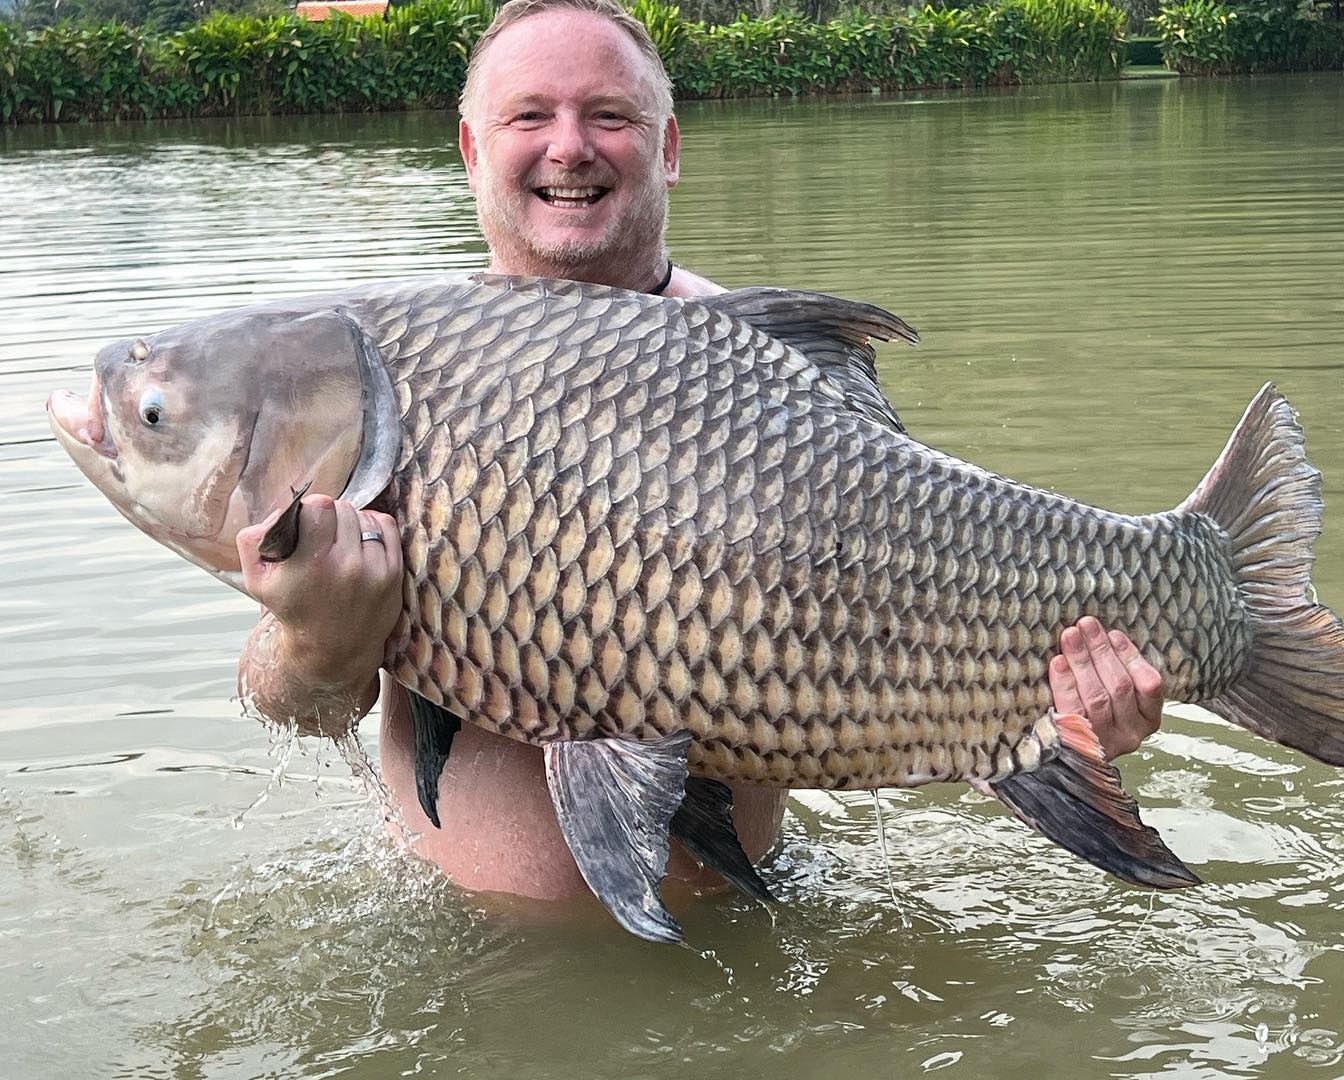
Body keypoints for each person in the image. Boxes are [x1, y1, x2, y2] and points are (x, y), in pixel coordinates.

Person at [235, 0, 1165, 903]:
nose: (569, 147)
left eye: (609, 116)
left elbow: (917, 631)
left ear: (668, 148)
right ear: (474, 149)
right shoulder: (387, 382)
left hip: (740, 935)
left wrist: (1063, 716)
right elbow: (289, 704)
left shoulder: (770, 371)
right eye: (530, 116)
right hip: (457, 942)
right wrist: (317, 648)